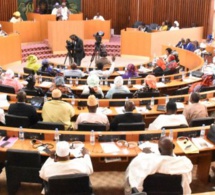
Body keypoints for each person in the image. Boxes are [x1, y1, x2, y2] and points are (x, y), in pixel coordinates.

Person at [125, 136, 193, 195]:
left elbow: (133, 175)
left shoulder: (146, 162)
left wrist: (144, 154)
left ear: (159, 150)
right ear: (173, 146)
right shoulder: (184, 162)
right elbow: (189, 180)